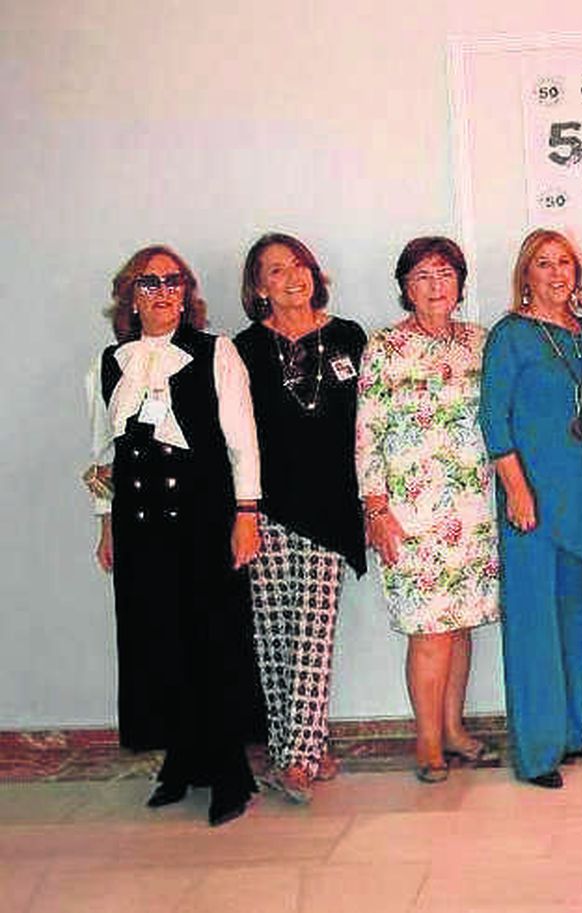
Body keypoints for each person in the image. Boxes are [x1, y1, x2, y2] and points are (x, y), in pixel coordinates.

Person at [89, 245, 264, 827]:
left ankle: (230, 774)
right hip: (140, 529)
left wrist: (246, 514)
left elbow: (242, 438)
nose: (163, 292)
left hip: (203, 522)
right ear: (130, 295)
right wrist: (106, 525)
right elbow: (101, 454)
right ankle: (182, 761)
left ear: (187, 292)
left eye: (174, 282)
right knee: (157, 643)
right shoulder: (109, 364)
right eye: (150, 282)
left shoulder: (218, 353)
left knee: (211, 642)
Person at [356, 236, 502, 784]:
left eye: (444, 274)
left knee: (461, 626)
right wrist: (376, 508)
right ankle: (426, 740)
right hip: (410, 514)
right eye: (422, 276)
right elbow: (367, 434)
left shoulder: (481, 342)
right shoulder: (385, 347)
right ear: (404, 288)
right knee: (429, 630)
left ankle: (455, 730)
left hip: (473, 509)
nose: (435, 285)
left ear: (460, 283)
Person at [234, 233, 367, 803]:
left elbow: (367, 423)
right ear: (259, 286)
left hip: (330, 507)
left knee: (314, 632)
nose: (293, 277)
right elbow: (233, 437)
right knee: (273, 638)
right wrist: (241, 511)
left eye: (300, 265)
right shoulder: (240, 349)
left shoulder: (348, 337)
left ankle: (297, 760)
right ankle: (305, 746)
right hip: (263, 508)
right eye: (276, 270)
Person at [479, 230, 582, 789]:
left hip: (579, 498)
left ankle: (575, 732)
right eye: (543, 264)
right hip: (530, 500)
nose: (556, 273)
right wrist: (517, 489)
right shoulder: (510, 336)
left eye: (564, 263)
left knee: (576, 619)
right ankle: (537, 753)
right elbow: (493, 420)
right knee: (533, 627)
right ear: (525, 275)